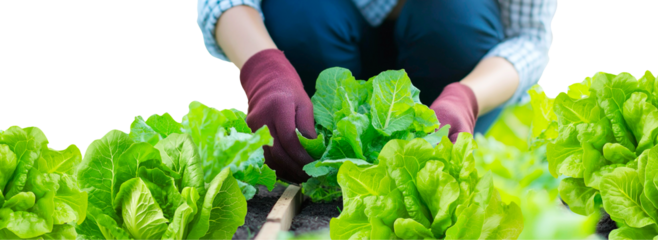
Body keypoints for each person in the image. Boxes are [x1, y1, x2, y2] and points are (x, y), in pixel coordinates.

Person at [196, 0, 558, 183]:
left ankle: (442, 142)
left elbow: (529, 37)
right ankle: (310, 142)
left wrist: (468, 96)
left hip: (448, 53)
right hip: (326, 34)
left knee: (455, 19)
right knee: (301, 16)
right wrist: (264, 71)